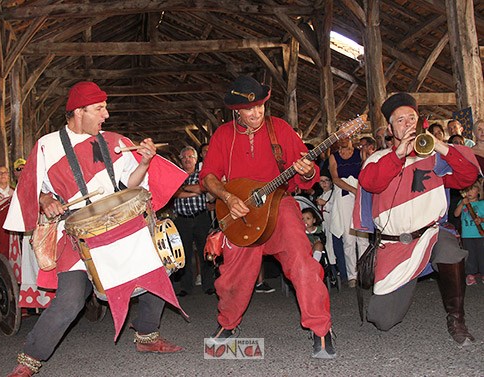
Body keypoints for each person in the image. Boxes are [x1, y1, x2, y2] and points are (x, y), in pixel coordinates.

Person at [4, 82, 184, 377]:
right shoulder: (47, 146)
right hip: (76, 233)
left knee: (158, 270)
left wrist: (146, 162)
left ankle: (147, 337)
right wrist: (45, 199)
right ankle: (29, 360)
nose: (106, 114)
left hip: (120, 228)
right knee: (71, 299)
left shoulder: (114, 141)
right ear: (79, 111)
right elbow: (30, 189)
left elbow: (131, 184)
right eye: (100, 109)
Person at [200, 76, 335, 359]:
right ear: (236, 110)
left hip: (280, 205)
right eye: (249, 109)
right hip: (241, 211)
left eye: (260, 106)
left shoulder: (280, 129)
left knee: (301, 261)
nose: (256, 113)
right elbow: (209, 176)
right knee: (234, 272)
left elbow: (308, 177)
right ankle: (228, 324)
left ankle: (321, 327)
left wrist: (308, 170)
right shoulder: (224, 135)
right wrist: (227, 197)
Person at [353, 92, 479, 346]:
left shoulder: (434, 156)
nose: (408, 123)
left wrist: (439, 144)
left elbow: (468, 175)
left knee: (450, 250)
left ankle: (457, 320)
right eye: (400, 120)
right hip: (396, 245)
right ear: (390, 128)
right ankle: (406, 279)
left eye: (412, 117)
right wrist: (398, 154)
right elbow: (371, 183)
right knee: (382, 319)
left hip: (431, 234)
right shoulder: (377, 159)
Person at [173, 145, 216, 296]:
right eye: (184, 157)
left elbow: (202, 189)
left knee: (206, 252)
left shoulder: (202, 175)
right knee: (184, 254)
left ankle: (208, 285)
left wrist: (183, 188)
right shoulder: (175, 175)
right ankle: (186, 287)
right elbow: (175, 194)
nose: (187, 160)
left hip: (200, 217)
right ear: (180, 160)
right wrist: (192, 191)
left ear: (196, 159)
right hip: (182, 220)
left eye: (190, 157)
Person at [328, 136, 369, 288]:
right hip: (344, 195)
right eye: (341, 138)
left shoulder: (359, 153)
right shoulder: (334, 156)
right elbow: (335, 178)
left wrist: (365, 157)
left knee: (363, 236)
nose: (344, 140)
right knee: (348, 237)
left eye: (346, 137)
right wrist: (353, 190)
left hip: (361, 194)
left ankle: (365, 273)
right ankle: (352, 275)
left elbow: (366, 171)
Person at [454, 178, 484, 286]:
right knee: (469, 254)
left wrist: (481, 220)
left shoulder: (482, 204)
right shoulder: (461, 203)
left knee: (482, 254)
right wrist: (462, 204)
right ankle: (470, 274)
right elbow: (456, 214)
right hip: (467, 235)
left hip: (480, 234)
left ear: (479, 191)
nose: (469, 192)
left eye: (472, 189)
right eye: (467, 190)